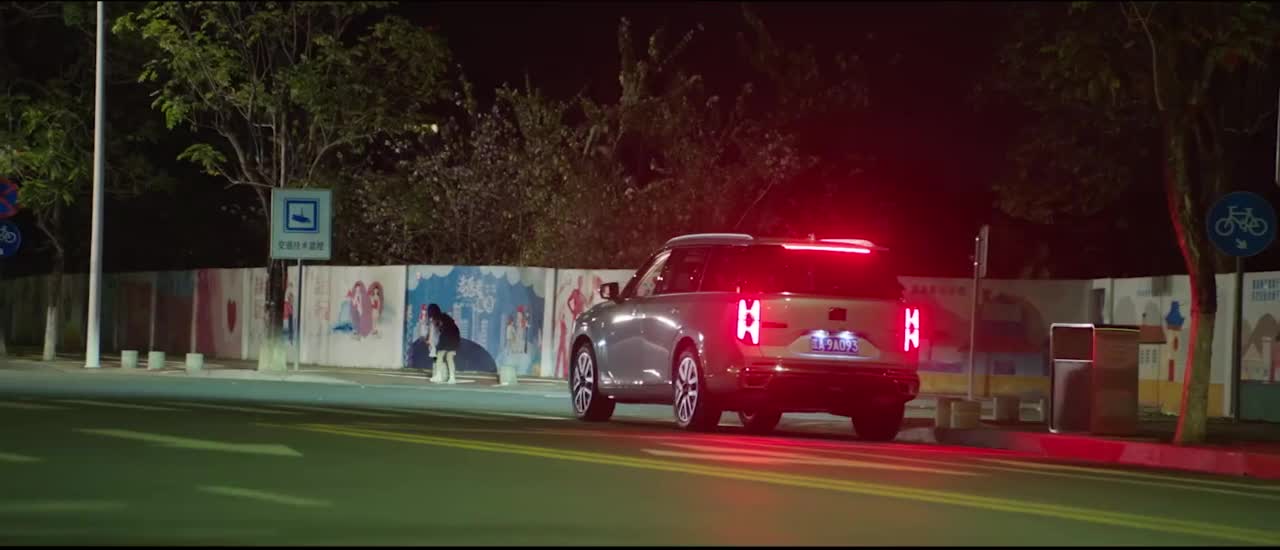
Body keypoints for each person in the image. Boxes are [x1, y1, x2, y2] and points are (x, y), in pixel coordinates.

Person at [428, 303, 460, 384]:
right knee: (449, 357)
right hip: (455, 337)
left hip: (447, 337)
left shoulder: (438, 319)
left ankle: (439, 376)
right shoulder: (445, 317)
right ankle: (452, 378)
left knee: (439, 355)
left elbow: (440, 331)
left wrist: (434, 343)